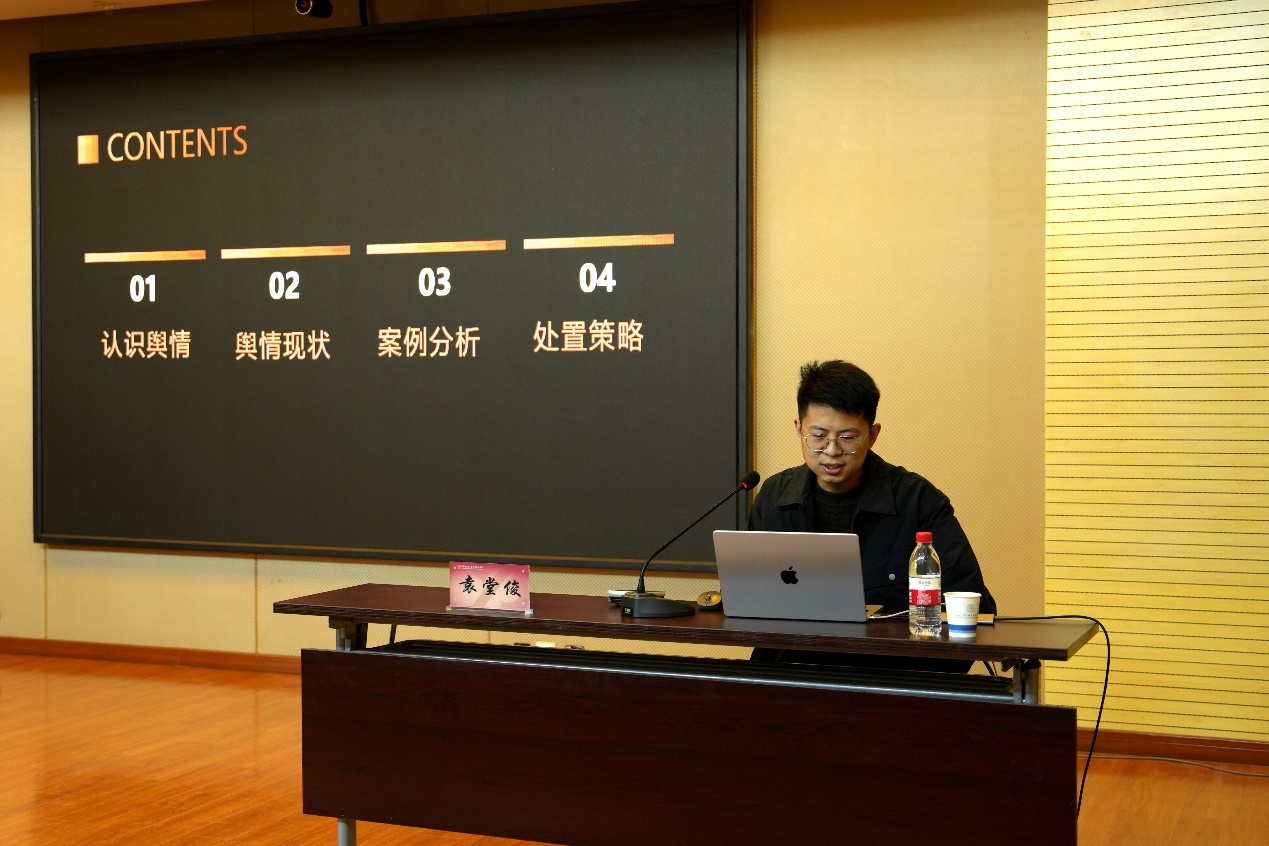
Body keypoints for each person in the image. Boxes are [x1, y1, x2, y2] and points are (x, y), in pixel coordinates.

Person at [748, 360, 995, 671]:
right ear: (799, 430)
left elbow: (974, 609)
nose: (832, 450)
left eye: (847, 437)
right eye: (818, 436)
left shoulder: (918, 501)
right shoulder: (773, 497)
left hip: (889, 680)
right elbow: (749, 598)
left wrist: (922, 685)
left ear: (873, 435)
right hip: (788, 675)